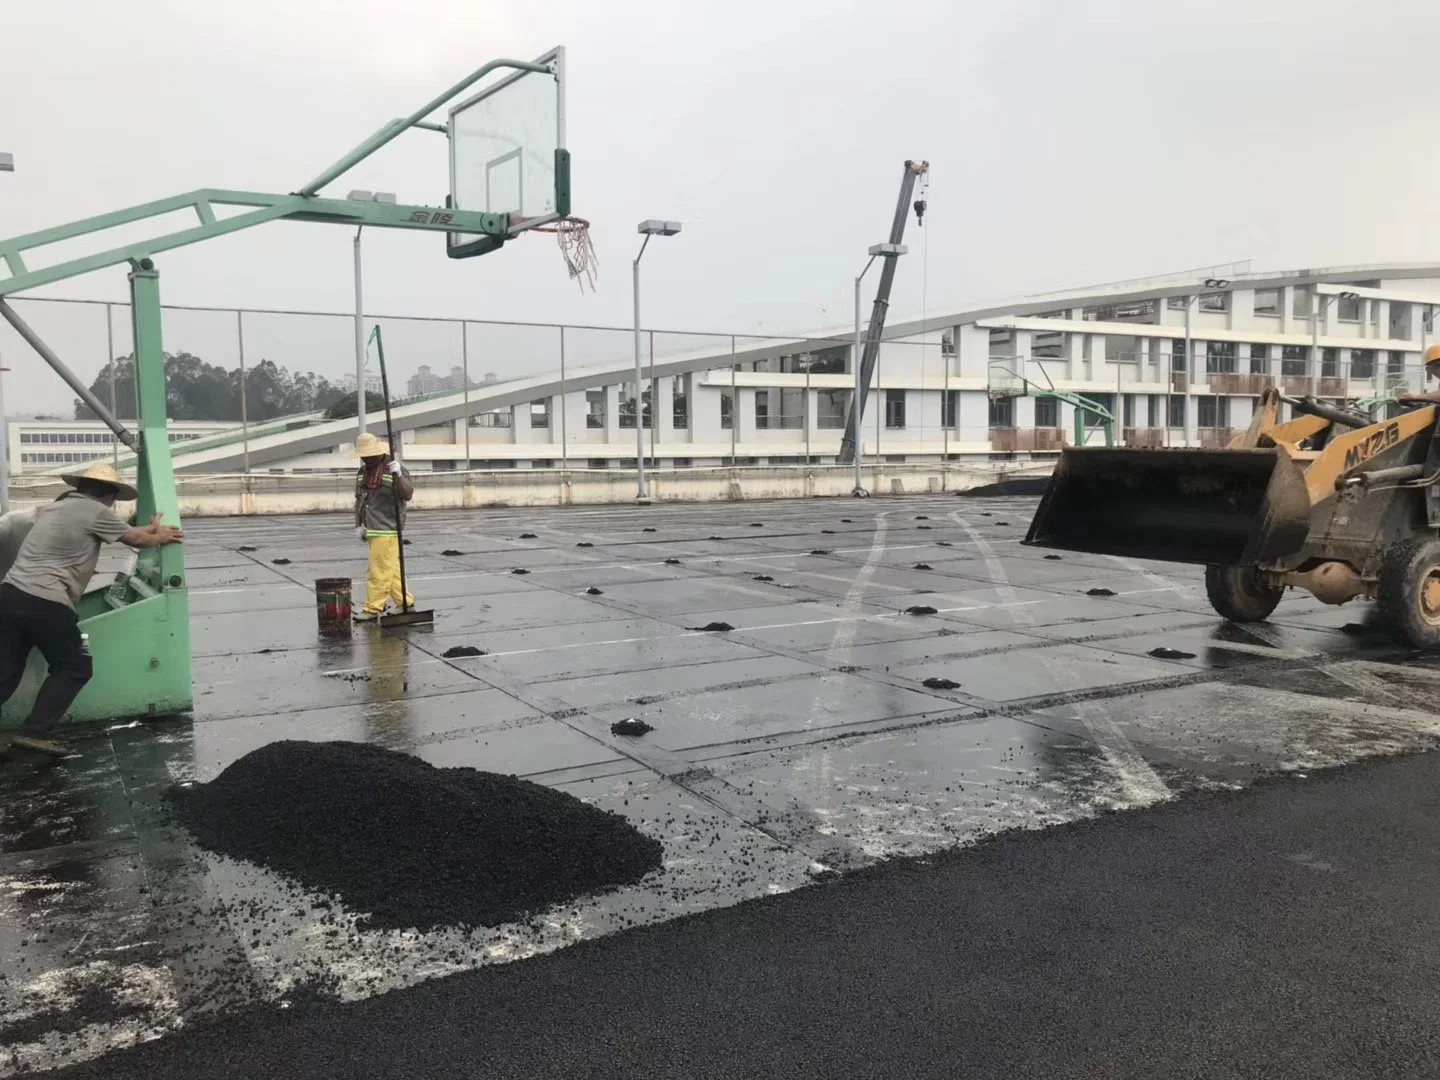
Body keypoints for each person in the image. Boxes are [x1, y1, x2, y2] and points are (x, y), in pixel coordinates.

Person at [0, 462, 183, 758]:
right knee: (74, 666)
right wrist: (162, 536)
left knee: (5, 671)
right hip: (45, 600)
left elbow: (125, 531)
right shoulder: (95, 511)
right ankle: (35, 733)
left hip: (9, 595)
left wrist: (147, 529)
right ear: (109, 495)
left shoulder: (59, 508)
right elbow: (135, 539)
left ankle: (33, 730)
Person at [352, 431, 415, 621]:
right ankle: (405, 602)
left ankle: (373, 608)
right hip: (371, 527)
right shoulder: (363, 472)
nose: (365, 459)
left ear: (378, 453)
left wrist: (398, 476)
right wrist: (359, 524)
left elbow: (407, 494)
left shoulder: (395, 469)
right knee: (391, 570)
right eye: (362, 455)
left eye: (368, 455)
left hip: (387, 528)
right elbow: (359, 499)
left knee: (378, 570)